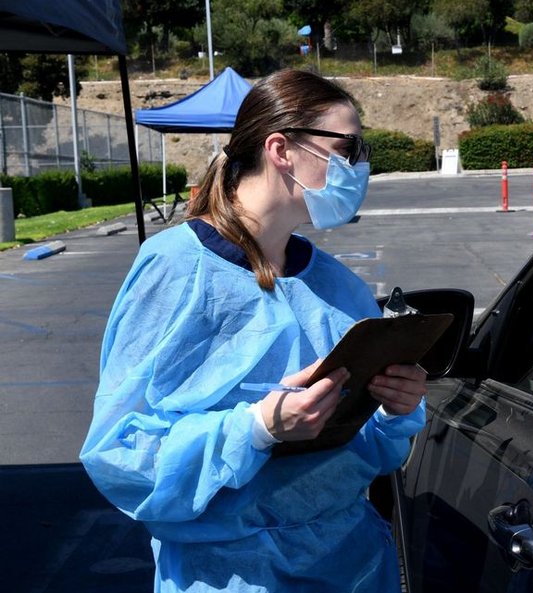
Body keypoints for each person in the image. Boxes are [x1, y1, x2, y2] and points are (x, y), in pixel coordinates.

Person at [80, 69, 428, 593]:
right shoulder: (177, 269)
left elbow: (370, 450)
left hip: (351, 566)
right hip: (227, 575)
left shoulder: (337, 285)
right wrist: (258, 427)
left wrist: (395, 409)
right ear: (281, 149)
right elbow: (119, 453)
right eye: (348, 147)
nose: (359, 166)